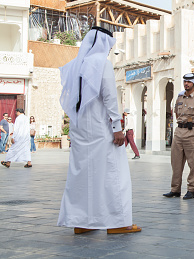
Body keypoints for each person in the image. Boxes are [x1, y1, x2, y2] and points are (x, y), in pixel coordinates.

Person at [57, 26, 140, 234]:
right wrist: (117, 127)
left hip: (80, 130)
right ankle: (118, 223)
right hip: (101, 129)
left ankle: (82, 223)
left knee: (82, 175)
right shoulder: (102, 64)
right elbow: (110, 98)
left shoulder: (73, 66)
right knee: (114, 173)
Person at [163, 73, 194, 200]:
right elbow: (177, 114)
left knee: (193, 163)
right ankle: (175, 189)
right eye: (185, 81)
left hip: (191, 132)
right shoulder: (179, 97)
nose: (186, 84)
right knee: (176, 163)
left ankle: (191, 189)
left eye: (189, 81)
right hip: (179, 132)